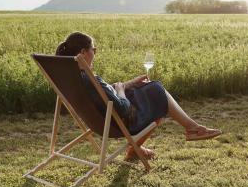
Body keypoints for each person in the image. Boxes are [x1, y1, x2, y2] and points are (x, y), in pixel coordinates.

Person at [55, 31, 222, 160]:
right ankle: (192, 129)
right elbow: (123, 108)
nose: (95, 53)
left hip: (99, 120)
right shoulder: (91, 79)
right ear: (84, 53)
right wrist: (121, 90)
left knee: (149, 92)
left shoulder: (76, 78)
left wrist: (127, 84)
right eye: (94, 49)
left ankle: (143, 147)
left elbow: (102, 96)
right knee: (156, 91)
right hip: (121, 122)